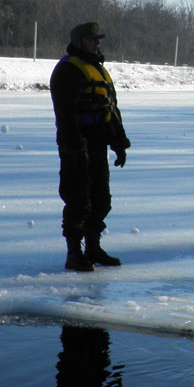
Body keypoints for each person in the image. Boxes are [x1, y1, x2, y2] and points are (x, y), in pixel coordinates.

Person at [51, 21, 131, 272]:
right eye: (91, 39)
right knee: (78, 200)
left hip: (98, 145)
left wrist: (119, 144)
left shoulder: (99, 70)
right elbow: (66, 114)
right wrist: (75, 148)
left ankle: (93, 248)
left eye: (98, 39)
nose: (97, 42)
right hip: (77, 146)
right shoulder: (69, 70)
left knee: (101, 200)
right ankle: (74, 254)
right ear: (79, 42)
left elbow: (112, 109)